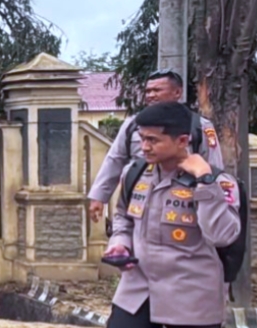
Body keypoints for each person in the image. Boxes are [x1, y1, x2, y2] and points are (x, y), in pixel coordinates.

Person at [102, 102, 241, 328]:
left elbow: (223, 235)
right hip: (139, 288)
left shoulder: (218, 182)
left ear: (182, 140)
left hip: (192, 293)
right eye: (142, 139)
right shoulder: (135, 173)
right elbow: (123, 216)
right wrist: (120, 242)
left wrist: (205, 182)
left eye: (153, 140)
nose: (144, 146)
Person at [88, 70, 226, 223]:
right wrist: (99, 196)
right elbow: (114, 160)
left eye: (157, 90)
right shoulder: (133, 124)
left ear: (177, 92)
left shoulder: (199, 126)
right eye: (148, 91)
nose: (151, 95)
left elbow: (213, 167)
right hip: (140, 199)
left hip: (181, 203)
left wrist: (214, 198)